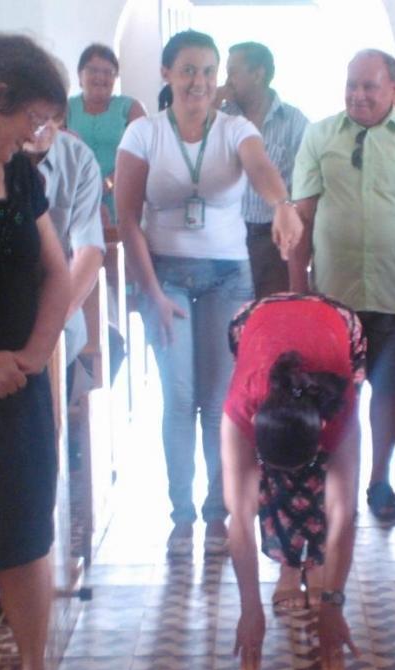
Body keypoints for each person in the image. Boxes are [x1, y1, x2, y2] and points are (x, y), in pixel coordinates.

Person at [116, 30, 303, 559]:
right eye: (187, 70)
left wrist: (283, 204)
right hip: (166, 276)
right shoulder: (144, 133)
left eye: (206, 71)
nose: (198, 81)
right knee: (179, 397)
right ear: (167, 74)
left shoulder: (235, 128)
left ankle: (217, 509)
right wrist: (152, 292)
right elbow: (126, 218)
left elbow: (260, 167)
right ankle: (181, 514)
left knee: (220, 400)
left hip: (227, 275)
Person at [290, 49, 395, 523]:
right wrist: (299, 296)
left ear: (393, 87)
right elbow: (302, 218)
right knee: (332, 394)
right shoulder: (319, 136)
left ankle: (379, 480)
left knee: (389, 391)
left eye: (369, 86)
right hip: (332, 297)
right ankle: (335, 481)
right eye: (351, 85)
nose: (358, 95)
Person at [221, 293, 365, 670]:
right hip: (254, 321)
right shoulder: (242, 404)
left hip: (335, 320)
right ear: (255, 426)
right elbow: (239, 518)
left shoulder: (339, 407)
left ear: (321, 431)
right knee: (253, 489)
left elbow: (343, 515)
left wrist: (333, 604)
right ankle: (290, 566)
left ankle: (314, 567)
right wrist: (249, 608)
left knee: (331, 487)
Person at [0, 34, 70, 670]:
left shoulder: (20, 177)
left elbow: (57, 271)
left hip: (17, 388)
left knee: (25, 536)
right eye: (32, 117)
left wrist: (35, 353)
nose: (37, 134)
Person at [24, 110, 104, 394]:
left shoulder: (77, 158)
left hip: (58, 325)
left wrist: (47, 325)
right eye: (34, 114)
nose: (42, 125)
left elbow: (88, 250)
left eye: (53, 115)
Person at [220, 42, 308, 298]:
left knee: (271, 313)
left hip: (274, 240)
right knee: (233, 313)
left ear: (258, 74)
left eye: (233, 72)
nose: (227, 80)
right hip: (229, 237)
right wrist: (210, 104)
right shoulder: (221, 118)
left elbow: (307, 182)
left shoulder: (294, 121)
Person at [67, 43, 145, 223]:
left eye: (108, 72)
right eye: (93, 70)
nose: (100, 77)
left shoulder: (131, 108)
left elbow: (143, 157)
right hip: (75, 197)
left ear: (115, 77)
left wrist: (108, 184)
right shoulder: (66, 108)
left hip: (122, 196)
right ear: (80, 75)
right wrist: (84, 189)